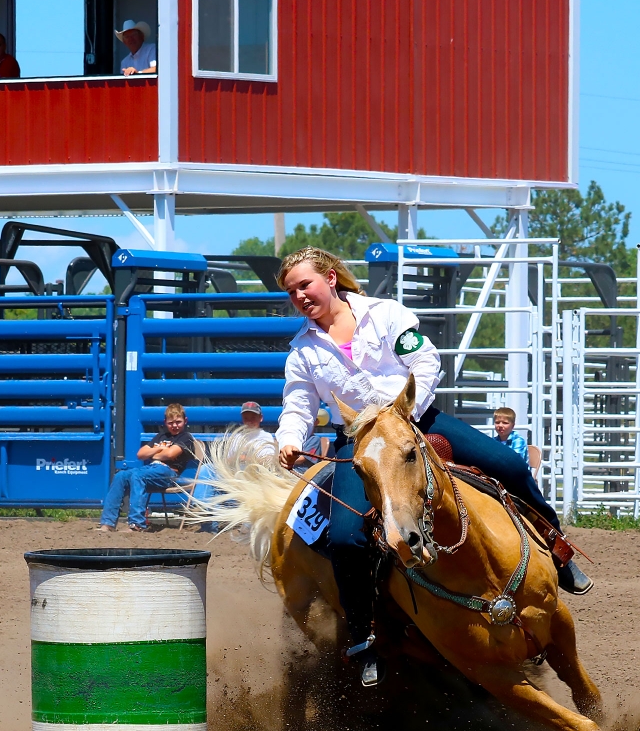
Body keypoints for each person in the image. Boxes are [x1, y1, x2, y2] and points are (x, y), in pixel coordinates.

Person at [273, 247, 592, 687]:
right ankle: (365, 638)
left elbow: (425, 360)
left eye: (305, 284)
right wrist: (288, 439)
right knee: (346, 538)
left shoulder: (384, 314)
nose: (300, 296)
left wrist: (403, 413)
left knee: (510, 464)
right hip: (362, 443)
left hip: (418, 419)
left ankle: (557, 552)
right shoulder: (303, 352)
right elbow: (298, 403)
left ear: (330, 277)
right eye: (292, 292)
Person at [98, 404, 196, 532]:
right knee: (120, 476)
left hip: (169, 472)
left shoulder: (186, 437)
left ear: (185, 421)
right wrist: (160, 448)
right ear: (165, 422)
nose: (175, 426)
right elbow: (140, 454)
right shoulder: (162, 436)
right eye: (171, 423)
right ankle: (108, 523)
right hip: (151, 469)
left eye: (178, 422)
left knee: (138, 476)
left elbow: (170, 454)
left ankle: (137, 524)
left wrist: (154, 453)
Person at [192, 401, 275, 532]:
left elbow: (266, 462)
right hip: (233, 473)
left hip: (251, 476)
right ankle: (202, 506)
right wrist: (238, 458)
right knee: (207, 469)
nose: (249, 421)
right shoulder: (237, 436)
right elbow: (227, 460)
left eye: (253, 417)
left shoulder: (266, 437)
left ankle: (208, 510)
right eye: (246, 418)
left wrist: (245, 458)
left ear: (260, 418)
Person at [492, 406, 542, 473]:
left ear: (513, 425)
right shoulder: (493, 441)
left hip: (517, 477)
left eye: (505, 423)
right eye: (497, 422)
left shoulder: (518, 441)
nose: (500, 425)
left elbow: (514, 462)